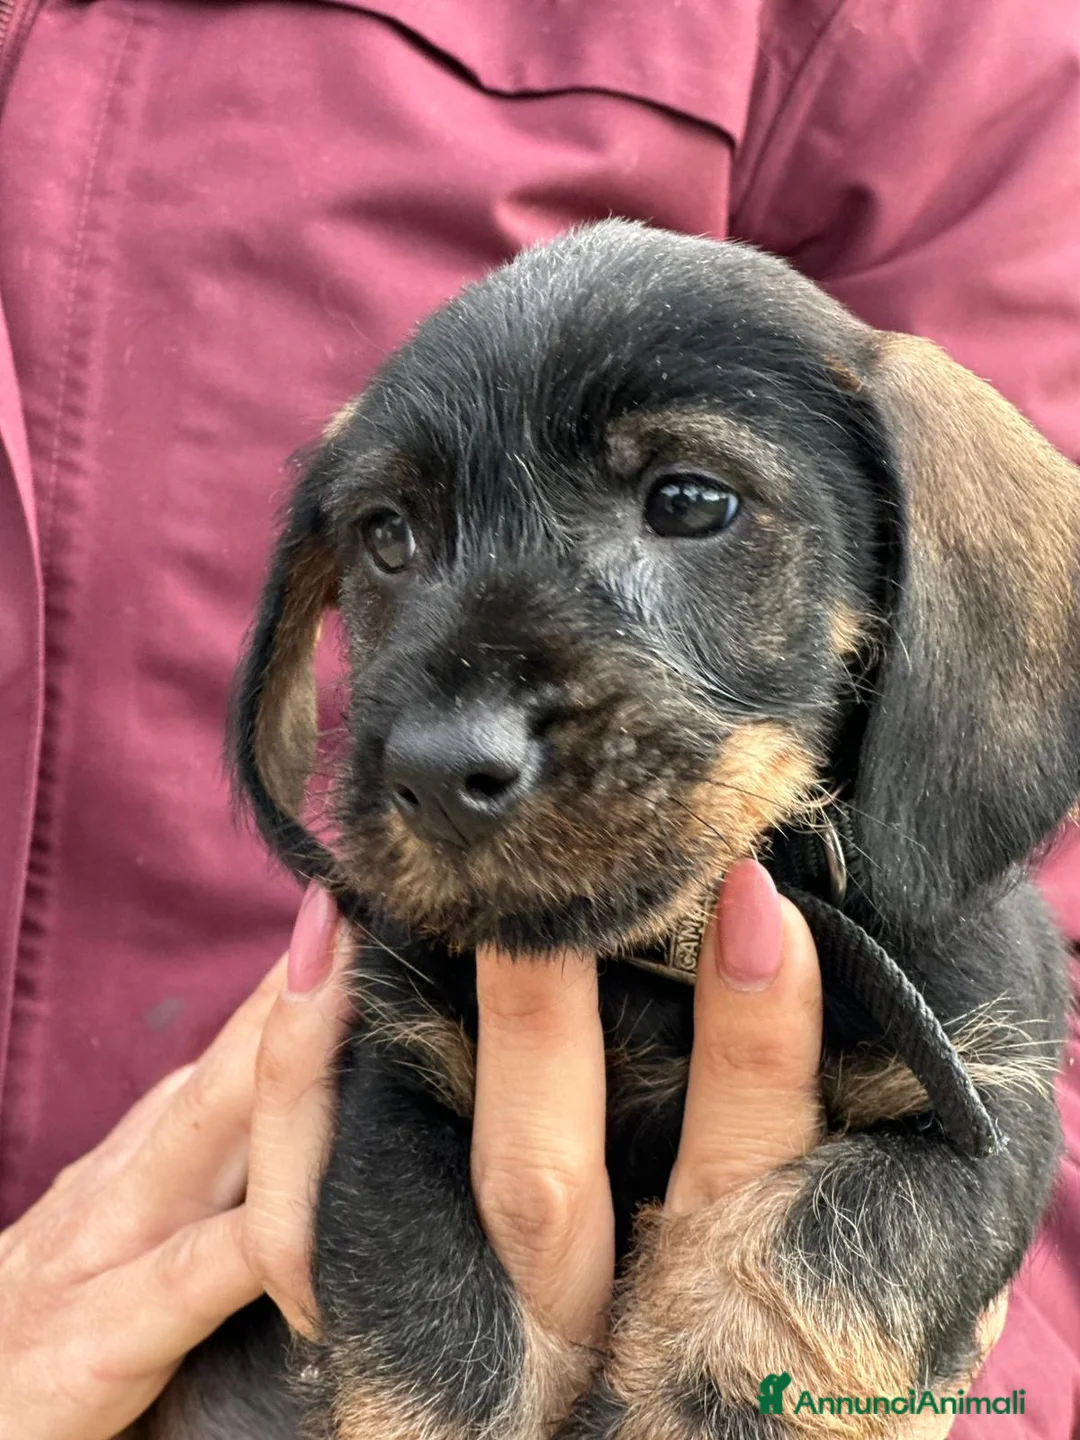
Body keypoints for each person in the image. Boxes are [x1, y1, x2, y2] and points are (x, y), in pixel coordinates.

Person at [0, 0, 1077, 1433]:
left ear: (895, 550)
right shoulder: (423, 960)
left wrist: (824, 1369)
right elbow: (382, 1147)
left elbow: (983, 1156)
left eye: (687, 503)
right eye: (392, 539)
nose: (463, 737)